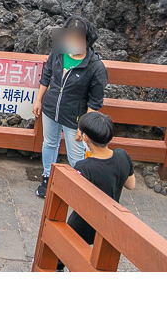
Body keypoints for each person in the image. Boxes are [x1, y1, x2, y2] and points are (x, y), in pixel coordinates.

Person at [32, 16, 108, 198]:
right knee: (49, 143)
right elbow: (47, 75)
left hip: (76, 116)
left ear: (87, 39)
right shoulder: (58, 52)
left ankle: (77, 185)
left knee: (76, 153)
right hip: (51, 108)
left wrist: (85, 126)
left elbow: (95, 101)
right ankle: (47, 177)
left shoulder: (95, 66)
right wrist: (38, 99)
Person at [57, 111, 135, 271]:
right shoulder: (122, 155)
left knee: (60, 253)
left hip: (84, 222)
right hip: (111, 221)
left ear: (86, 138)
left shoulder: (84, 167)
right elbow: (131, 184)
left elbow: (73, 199)